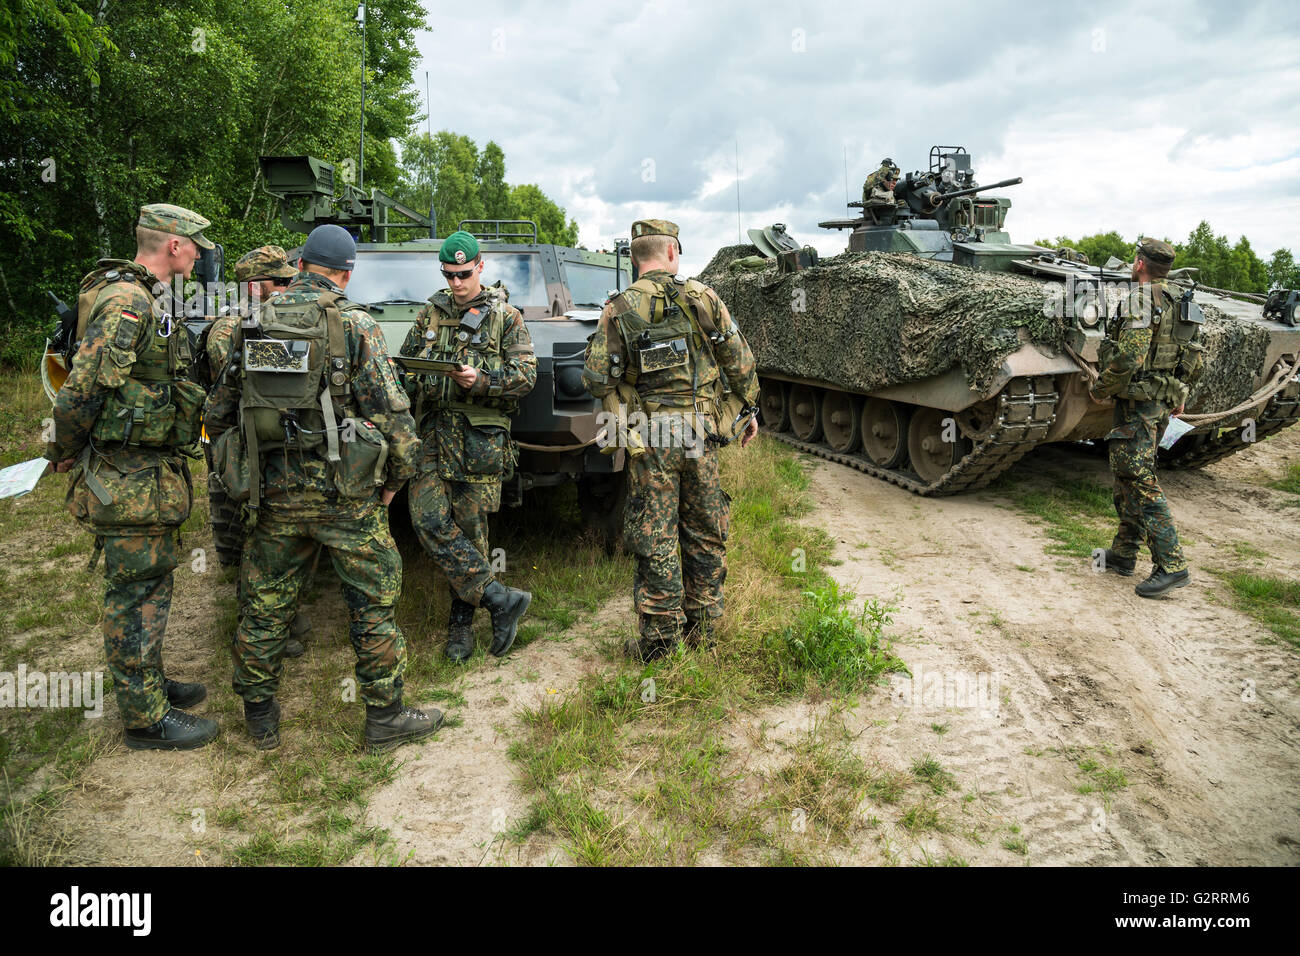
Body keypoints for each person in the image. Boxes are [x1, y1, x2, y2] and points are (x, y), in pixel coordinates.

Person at [204, 224, 437, 751]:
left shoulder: (253, 323)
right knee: (372, 603)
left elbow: (217, 414)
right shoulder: (355, 324)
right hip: (346, 496)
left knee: (265, 605)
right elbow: (393, 414)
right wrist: (395, 481)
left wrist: (244, 473)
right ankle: (384, 719)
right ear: (346, 272)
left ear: (301, 264)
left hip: (275, 495)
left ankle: (260, 718)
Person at [45, 203, 219, 750]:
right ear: (173, 246)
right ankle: (146, 720)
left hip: (147, 469)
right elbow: (84, 386)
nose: (200, 252)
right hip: (127, 472)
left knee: (152, 583)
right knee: (135, 591)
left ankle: (152, 685)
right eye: (196, 244)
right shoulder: (128, 302)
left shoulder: (147, 297)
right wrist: (63, 448)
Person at [582, 219, 760, 660]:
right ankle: (706, 632)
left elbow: (593, 376)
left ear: (633, 259)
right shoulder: (704, 297)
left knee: (655, 532)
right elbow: (739, 360)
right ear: (672, 254)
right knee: (704, 528)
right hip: (701, 433)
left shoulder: (618, 309)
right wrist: (749, 411)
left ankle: (661, 643)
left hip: (653, 436)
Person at [401, 230, 535, 662]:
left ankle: (461, 627)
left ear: (480, 266)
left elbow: (526, 376)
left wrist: (483, 381)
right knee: (427, 520)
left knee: (472, 533)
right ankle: (499, 598)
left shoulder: (506, 317)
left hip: (478, 442)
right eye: (448, 275)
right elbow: (404, 367)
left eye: (463, 274)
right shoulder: (430, 314)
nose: (456, 283)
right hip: (432, 438)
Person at [203, 245, 312, 656]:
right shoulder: (231, 329)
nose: (287, 287)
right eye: (279, 282)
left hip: (271, 443)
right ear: (254, 286)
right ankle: (258, 630)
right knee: (255, 538)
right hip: (245, 449)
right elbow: (236, 392)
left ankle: (283, 614)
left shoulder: (268, 320)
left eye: (289, 280)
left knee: (276, 537)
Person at [1091, 237, 1204, 598]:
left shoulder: (1141, 299)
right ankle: (1124, 553)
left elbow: (1129, 358)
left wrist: (1101, 388)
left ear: (1139, 264)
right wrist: (1180, 392)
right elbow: (1194, 355)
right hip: (1160, 403)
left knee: (1140, 479)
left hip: (1139, 405)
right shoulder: (1182, 301)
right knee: (1127, 474)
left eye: (1134, 259)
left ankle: (1172, 565)